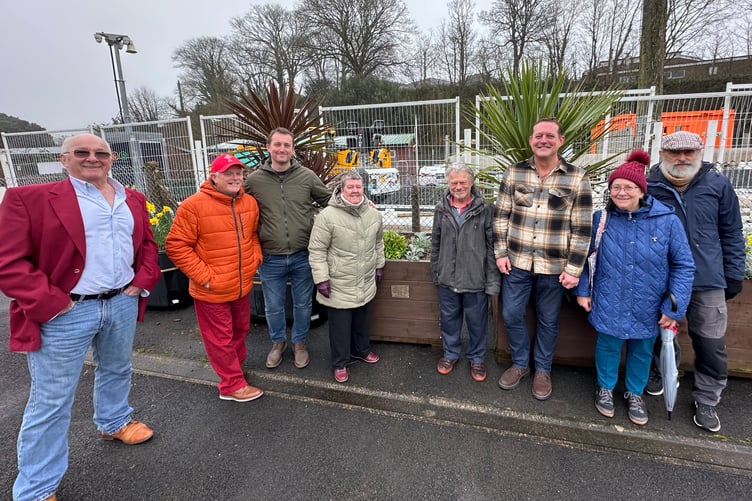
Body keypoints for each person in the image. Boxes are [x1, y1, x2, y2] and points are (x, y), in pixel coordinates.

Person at [0, 133, 161, 501]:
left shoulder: (131, 198)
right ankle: (37, 489)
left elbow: (148, 245)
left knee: (118, 369)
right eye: (82, 152)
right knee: (51, 401)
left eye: (100, 152)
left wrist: (141, 283)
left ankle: (114, 421)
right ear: (64, 158)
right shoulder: (29, 199)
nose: (93, 158)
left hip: (120, 301)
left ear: (112, 157)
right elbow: (9, 263)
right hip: (64, 312)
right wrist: (54, 303)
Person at [573, 150, 695, 426]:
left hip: (648, 302)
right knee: (608, 344)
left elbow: (683, 266)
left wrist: (674, 307)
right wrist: (582, 290)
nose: (621, 192)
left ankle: (635, 393)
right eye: (616, 187)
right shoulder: (600, 220)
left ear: (641, 191)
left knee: (641, 348)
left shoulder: (667, 222)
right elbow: (585, 257)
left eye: (628, 187)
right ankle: (605, 387)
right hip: (608, 297)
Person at [645, 131, 746, 432]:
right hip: (661, 277)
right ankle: (663, 373)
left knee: (711, 342)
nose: (682, 158)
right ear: (662, 153)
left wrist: (733, 273)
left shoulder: (717, 185)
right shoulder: (649, 186)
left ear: (700, 152)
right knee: (660, 335)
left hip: (707, 278)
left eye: (689, 152)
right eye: (675, 153)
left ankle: (707, 398)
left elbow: (732, 233)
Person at [493, 117, 593, 400]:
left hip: (555, 267)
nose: (543, 140)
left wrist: (574, 269)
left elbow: (583, 228)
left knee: (548, 320)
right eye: (538, 136)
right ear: (530, 141)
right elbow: (501, 217)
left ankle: (543, 370)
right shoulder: (514, 173)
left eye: (550, 135)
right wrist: (500, 253)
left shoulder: (577, 177)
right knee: (511, 313)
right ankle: (521, 364)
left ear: (560, 141)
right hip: (517, 263)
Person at [166, 154, 264, 402]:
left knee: (240, 329)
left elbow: (252, 237)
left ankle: (235, 371)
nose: (235, 177)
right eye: (228, 173)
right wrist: (204, 277)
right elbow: (177, 246)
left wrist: (255, 260)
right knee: (219, 337)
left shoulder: (249, 203)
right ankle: (231, 386)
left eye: (238, 172)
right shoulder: (193, 205)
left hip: (241, 284)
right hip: (211, 289)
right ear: (214, 176)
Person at [243, 128, 332, 370]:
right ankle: (278, 343)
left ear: (293, 149)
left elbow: (329, 200)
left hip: (303, 255)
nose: (282, 149)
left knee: (303, 304)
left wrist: (359, 202)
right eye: (278, 145)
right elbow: (236, 204)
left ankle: (299, 343)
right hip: (270, 257)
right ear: (269, 147)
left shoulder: (306, 176)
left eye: (287, 145)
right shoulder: (254, 180)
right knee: (273, 306)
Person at [308, 171, 385, 383]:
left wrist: (379, 265)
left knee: (362, 320)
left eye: (358, 187)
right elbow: (317, 250)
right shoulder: (327, 217)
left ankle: (361, 350)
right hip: (338, 281)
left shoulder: (373, 214)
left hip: (365, 279)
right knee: (340, 327)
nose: (354, 190)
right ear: (341, 189)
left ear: (364, 189)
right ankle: (340, 362)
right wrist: (321, 279)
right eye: (350, 187)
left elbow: (378, 242)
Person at [431, 164, 500, 382]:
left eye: (462, 182)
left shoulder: (486, 210)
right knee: (449, 320)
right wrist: (436, 271)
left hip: (475, 279)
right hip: (447, 279)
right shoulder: (441, 209)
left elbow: (492, 248)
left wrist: (491, 281)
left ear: (471, 183)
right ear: (448, 184)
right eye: (454, 183)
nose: (458, 186)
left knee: (477, 322)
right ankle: (450, 353)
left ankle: (477, 358)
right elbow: (435, 243)